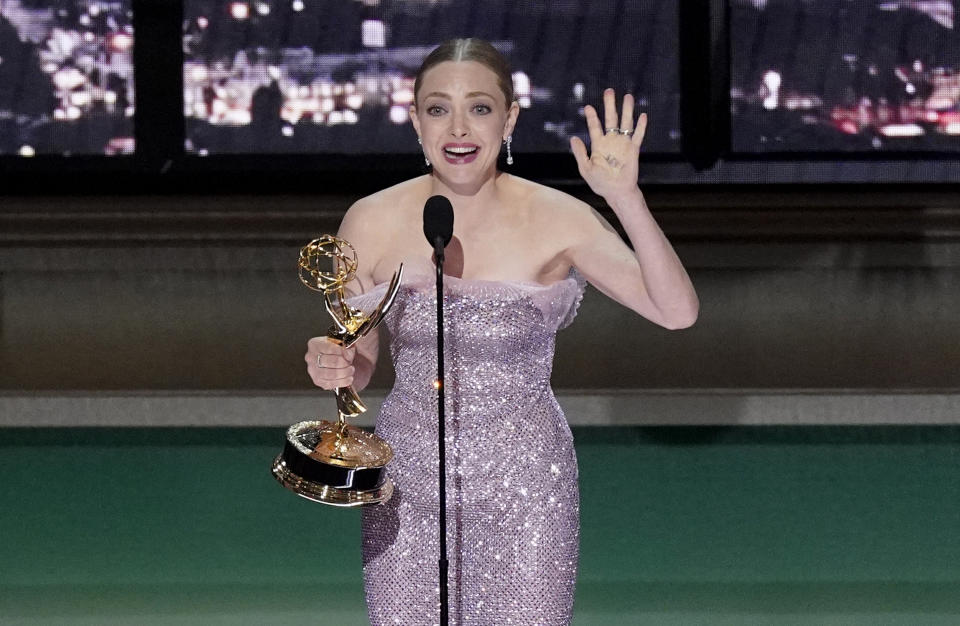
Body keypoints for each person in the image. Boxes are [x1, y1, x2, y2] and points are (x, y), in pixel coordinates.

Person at [305, 38, 698, 626]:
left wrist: (626, 199)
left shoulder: (558, 217)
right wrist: (333, 364)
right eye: (438, 108)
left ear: (509, 117)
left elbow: (676, 311)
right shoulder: (371, 218)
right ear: (415, 120)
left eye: (480, 108)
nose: (458, 127)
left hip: (527, 485)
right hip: (409, 482)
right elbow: (359, 360)